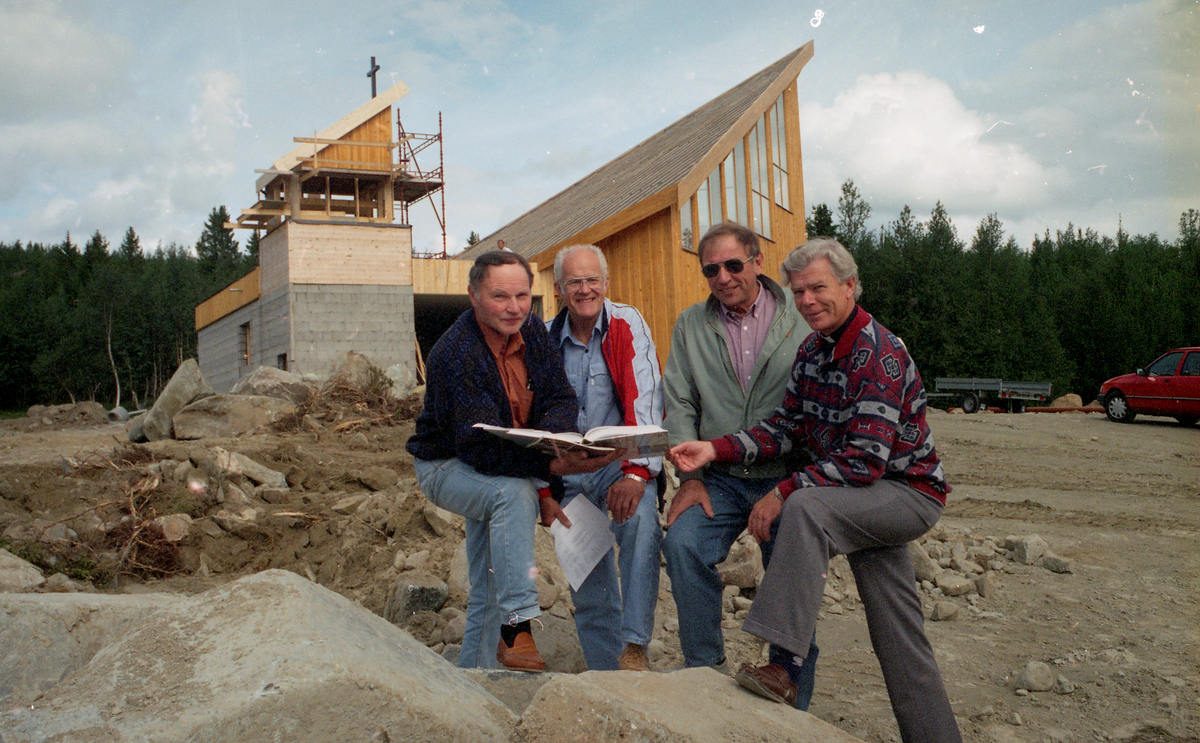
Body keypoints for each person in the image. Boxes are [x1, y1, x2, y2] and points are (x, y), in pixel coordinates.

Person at [669, 237, 962, 742]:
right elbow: (786, 428)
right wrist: (714, 450)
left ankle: (784, 668)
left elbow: (865, 460)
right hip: (859, 500)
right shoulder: (813, 350)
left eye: (819, 288)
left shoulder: (878, 353)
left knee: (803, 507)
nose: (807, 300)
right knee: (898, 631)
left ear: (850, 286)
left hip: (905, 495)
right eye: (799, 291)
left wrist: (782, 489)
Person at [406, 250, 619, 673]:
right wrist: (549, 471)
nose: (514, 307)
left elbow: (559, 398)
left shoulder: (533, 333)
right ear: (474, 296)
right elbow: (476, 447)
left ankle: (474, 684)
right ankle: (518, 625)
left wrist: (555, 442)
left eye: (523, 295)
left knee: (487, 583)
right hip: (447, 465)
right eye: (500, 296)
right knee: (512, 494)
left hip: (503, 462)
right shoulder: (455, 353)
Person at [660, 221, 819, 707]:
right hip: (721, 479)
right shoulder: (691, 325)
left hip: (789, 479)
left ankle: (791, 699)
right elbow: (680, 403)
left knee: (792, 579)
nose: (724, 277)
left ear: (757, 262)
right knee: (683, 545)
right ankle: (705, 675)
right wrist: (689, 479)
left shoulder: (803, 313)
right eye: (712, 269)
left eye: (733, 264)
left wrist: (800, 484)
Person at [542, 244, 664, 672]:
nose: (585, 289)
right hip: (568, 472)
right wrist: (544, 484)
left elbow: (645, 401)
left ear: (606, 283)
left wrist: (635, 475)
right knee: (586, 575)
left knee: (641, 522)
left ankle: (634, 646)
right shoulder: (542, 337)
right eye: (574, 281)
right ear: (559, 289)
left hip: (617, 461)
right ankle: (609, 679)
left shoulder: (627, 323)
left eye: (592, 279)